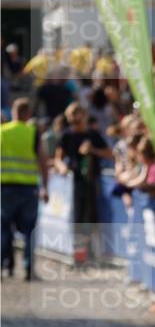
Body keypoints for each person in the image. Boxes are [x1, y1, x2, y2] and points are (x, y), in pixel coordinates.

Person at [54, 101, 113, 255]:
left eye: (78, 116)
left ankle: (94, 253)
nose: (75, 120)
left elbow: (109, 153)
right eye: (72, 117)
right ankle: (80, 255)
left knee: (93, 217)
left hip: (93, 180)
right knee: (78, 218)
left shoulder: (92, 135)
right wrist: (62, 167)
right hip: (76, 181)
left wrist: (92, 150)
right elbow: (58, 158)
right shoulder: (67, 135)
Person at [1, 97, 49, 280]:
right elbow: (43, 162)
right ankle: (29, 270)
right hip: (28, 189)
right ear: (28, 113)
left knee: (4, 229)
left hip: (5, 188)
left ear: (13, 112)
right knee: (29, 230)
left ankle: (3, 266)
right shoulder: (33, 133)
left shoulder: (2, 132)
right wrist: (45, 186)